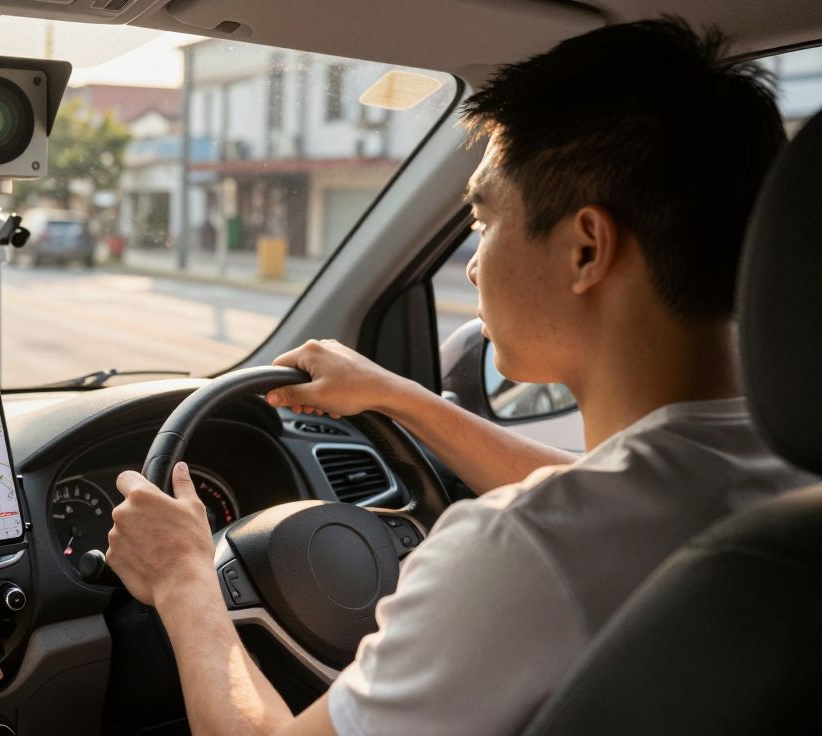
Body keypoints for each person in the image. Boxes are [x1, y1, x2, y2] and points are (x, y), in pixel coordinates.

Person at [104, 17, 818, 736]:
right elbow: (617, 488)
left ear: (585, 249)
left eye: (482, 222)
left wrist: (185, 579)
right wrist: (398, 397)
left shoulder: (521, 554)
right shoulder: (781, 479)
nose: (473, 266)